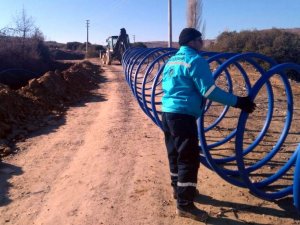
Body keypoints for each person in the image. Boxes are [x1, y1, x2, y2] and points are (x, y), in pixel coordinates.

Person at [161, 27, 256, 222]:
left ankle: (178, 190)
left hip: (167, 113)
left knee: (175, 153)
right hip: (183, 115)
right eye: (200, 40)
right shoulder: (195, 60)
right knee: (188, 158)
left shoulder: (171, 61)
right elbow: (209, 90)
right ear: (193, 42)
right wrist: (239, 102)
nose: (202, 43)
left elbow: (166, 86)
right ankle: (185, 205)